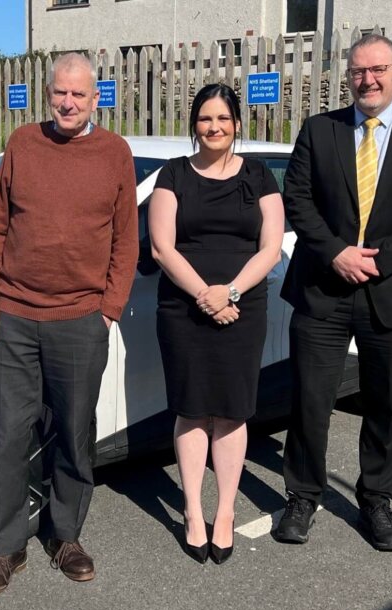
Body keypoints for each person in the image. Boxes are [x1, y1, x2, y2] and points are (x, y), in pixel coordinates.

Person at [273, 34, 392, 551]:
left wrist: (381, 259)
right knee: (310, 400)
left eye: (377, 70)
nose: (367, 80)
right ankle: (303, 496)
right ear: (346, 76)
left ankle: (375, 500)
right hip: (324, 288)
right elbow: (298, 199)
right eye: (357, 71)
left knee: (382, 404)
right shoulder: (319, 130)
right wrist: (336, 253)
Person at [0, 52, 138, 595]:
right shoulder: (23, 142)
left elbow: (125, 240)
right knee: (8, 436)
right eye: (59, 93)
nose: (67, 102)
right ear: (49, 94)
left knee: (72, 434)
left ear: (96, 97)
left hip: (79, 320)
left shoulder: (115, 153)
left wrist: (108, 308)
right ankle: (5, 548)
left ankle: (65, 536)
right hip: (13, 317)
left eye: (78, 94)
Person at [149, 83, 285, 565]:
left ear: (237, 124)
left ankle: (224, 512)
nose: (214, 127)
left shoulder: (259, 175)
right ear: (194, 124)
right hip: (184, 308)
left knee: (230, 412)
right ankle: (191, 511)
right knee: (191, 409)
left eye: (223, 119)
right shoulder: (173, 175)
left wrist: (228, 292)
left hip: (243, 306)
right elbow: (162, 247)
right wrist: (206, 296)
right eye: (206, 119)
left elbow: (270, 247)